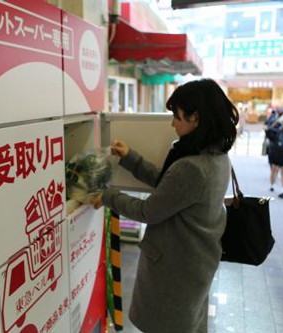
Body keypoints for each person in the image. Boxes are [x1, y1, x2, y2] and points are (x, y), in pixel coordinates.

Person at [91, 78, 239, 332]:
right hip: (196, 262)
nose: (172, 123)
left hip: (175, 270)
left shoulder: (192, 167)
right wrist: (131, 158)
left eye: (177, 117)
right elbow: (169, 187)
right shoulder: (216, 156)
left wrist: (106, 196)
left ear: (196, 118)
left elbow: (148, 211)